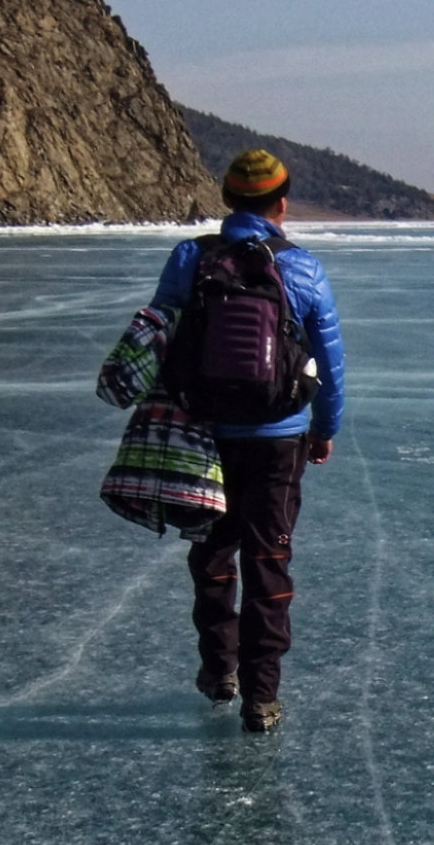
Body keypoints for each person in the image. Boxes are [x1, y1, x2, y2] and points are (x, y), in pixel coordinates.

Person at [147, 149, 344, 733]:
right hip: (277, 439)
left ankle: (218, 673)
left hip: (200, 436)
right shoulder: (303, 267)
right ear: (282, 204)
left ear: (228, 201)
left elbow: (157, 338)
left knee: (211, 553)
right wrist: (324, 428)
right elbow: (330, 362)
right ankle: (262, 697)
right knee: (269, 558)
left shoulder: (191, 258)